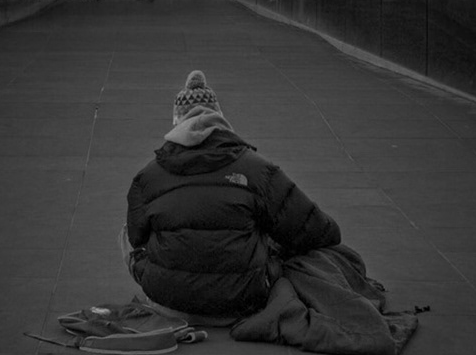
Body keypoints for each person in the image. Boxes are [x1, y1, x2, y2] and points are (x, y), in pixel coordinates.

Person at [123, 71, 341, 324]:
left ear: (176, 122)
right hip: (243, 299)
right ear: (219, 118)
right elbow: (317, 231)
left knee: (128, 230)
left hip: (169, 298)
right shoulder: (257, 169)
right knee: (268, 224)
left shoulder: (147, 176)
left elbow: (135, 238)